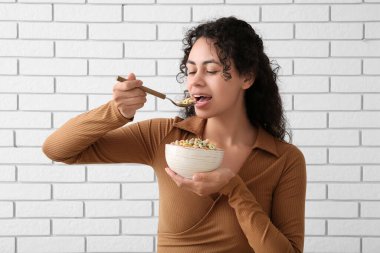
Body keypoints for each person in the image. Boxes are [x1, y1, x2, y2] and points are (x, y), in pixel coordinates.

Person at [43, 16, 306, 253]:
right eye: (191, 71)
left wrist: (235, 190)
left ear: (247, 77)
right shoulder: (164, 136)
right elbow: (57, 149)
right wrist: (116, 112)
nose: (195, 82)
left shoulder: (284, 159)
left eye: (211, 70)